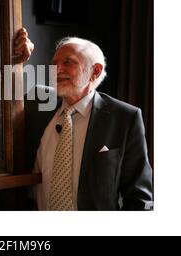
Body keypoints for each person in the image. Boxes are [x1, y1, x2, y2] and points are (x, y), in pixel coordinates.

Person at [14, 29, 153, 211]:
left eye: (68, 62)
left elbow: (139, 199)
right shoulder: (36, 102)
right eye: (54, 63)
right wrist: (15, 56)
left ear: (95, 71)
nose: (57, 69)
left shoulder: (124, 118)